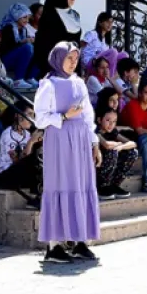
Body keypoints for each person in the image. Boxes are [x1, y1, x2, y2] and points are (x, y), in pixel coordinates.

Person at [33, 43, 102, 264]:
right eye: (69, 58)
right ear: (58, 59)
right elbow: (40, 119)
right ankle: (54, 245)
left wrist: (94, 143)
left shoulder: (79, 83)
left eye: (75, 58)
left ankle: (79, 240)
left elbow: (88, 116)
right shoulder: (49, 85)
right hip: (60, 140)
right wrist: (63, 117)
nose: (73, 62)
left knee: (81, 185)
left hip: (80, 141)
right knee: (60, 185)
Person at [30, 0, 82, 78]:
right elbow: (43, 44)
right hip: (54, 65)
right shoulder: (50, 15)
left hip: (73, 62)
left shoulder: (75, 15)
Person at [0, 107, 43, 205]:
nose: (32, 118)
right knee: (35, 158)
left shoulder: (27, 134)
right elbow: (17, 161)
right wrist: (31, 142)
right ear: (18, 116)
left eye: (33, 115)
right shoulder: (7, 134)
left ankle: (39, 196)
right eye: (29, 114)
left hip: (19, 173)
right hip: (5, 174)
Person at [95, 108, 139, 201]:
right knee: (112, 151)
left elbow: (133, 144)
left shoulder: (113, 132)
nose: (111, 124)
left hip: (110, 168)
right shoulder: (95, 132)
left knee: (133, 153)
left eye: (114, 121)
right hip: (97, 169)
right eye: (108, 120)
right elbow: (106, 144)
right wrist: (119, 145)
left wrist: (122, 147)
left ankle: (114, 184)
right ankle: (102, 186)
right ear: (99, 120)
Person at [0, 3, 37, 80]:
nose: (27, 20)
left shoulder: (24, 29)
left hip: (17, 58)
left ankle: (31, 78)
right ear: (17, 16)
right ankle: (18, 79)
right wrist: (23, 42)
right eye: (24, 17)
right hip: (5, 59)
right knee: (27, 47)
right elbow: (7, 48)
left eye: (28, 18)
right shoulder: (8, 28)